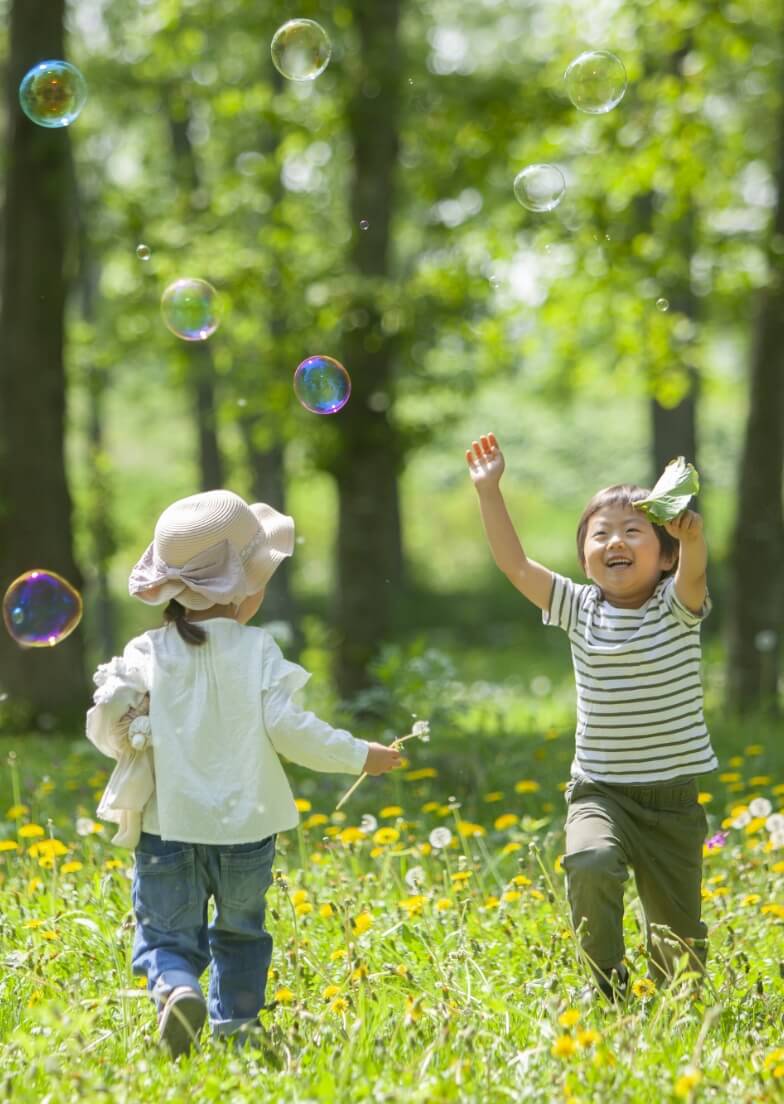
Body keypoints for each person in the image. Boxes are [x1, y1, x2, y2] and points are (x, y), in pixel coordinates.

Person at [86, 489, 401, 1056]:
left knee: (164, 934)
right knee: (241, 933)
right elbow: (290, 730)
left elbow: (109, 727)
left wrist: (124, 715)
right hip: (247, 833)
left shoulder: (146, 651)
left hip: (168, 827)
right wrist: (360, 754)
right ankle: (236, 1026)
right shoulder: (258, 650)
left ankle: (177, 987)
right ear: (243, 590)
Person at [466, 432, 716, 1001]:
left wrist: (694, 535)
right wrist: (489, 492)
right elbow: (513, 565)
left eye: (633, 532)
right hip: (600, 791)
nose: (615, 542)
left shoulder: (676, 608)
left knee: (680, 964)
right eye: (599, 534)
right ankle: (607, 985)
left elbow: (697, 574)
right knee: (589, 860)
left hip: (672, 802)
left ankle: (673, 997)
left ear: (666, 554)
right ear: (584, 557)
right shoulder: (579, 607)